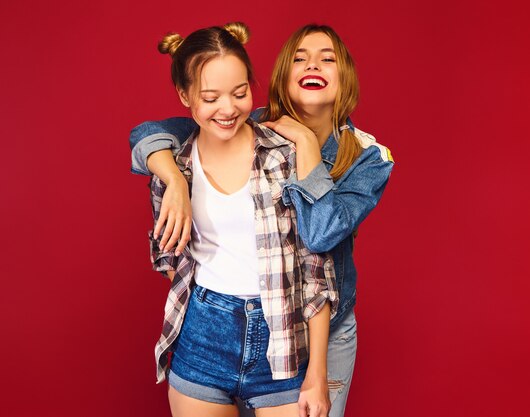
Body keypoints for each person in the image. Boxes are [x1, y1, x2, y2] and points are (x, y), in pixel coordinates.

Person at [131, 24, 394, 417]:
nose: (228, 107)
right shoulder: (222, 132)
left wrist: (304, 143)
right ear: (282, 76)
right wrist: (172, 178)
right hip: (206, 332)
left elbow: (318, 244)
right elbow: (150, 134)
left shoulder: (363, 157)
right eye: (301, 58)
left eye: (328, 58)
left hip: (309, 324)